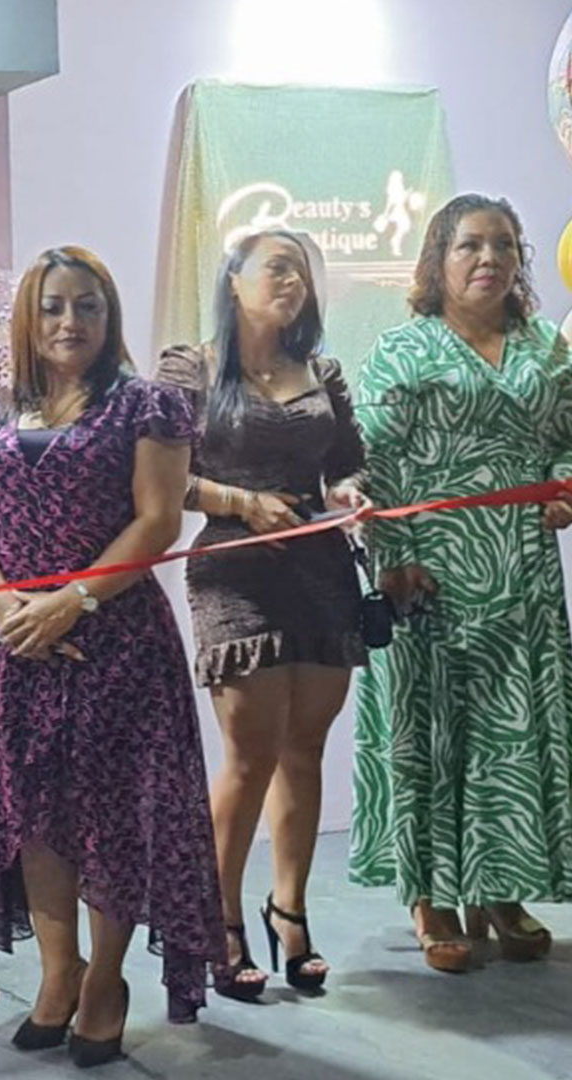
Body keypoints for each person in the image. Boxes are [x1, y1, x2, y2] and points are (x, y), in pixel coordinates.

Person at [0, 246, 223, 1064]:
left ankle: (105, 980)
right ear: (28, 317)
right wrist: (6, 606)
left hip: (113, 641)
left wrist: (70, 602)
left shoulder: (147, 406)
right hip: (9, 645)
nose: (70, 322)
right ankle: (57, 974)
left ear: (110, 315)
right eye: (54, 306)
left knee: (112, 818)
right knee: (33, 816)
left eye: (87, 306)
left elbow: (157, 521)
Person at [351, 192, 572, 972]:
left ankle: (500, 891)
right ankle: (432, 899)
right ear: (438, 259)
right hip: (429, 578)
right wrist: (392, 559)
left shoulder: (547, 348)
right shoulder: (402, 350)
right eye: (471, 245)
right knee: (433, 735)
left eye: (505, 245)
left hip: (523, 578)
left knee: (510, 738)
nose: (489, 259)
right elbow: (373, 467)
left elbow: (567, 439)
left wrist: (565, 484)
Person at [155, 229, 368, 1000]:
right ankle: (219, 922)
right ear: (232, 280)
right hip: (234, 571)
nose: (293, 283)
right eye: (277, 267)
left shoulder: (323, 371)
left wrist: (347, 491)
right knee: (249, 757)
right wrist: (241, 502)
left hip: (321, 569)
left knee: (305, 748)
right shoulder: (189, 368)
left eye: (301, 273)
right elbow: (159, 479)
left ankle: (290, 912)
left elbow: (349, 461)